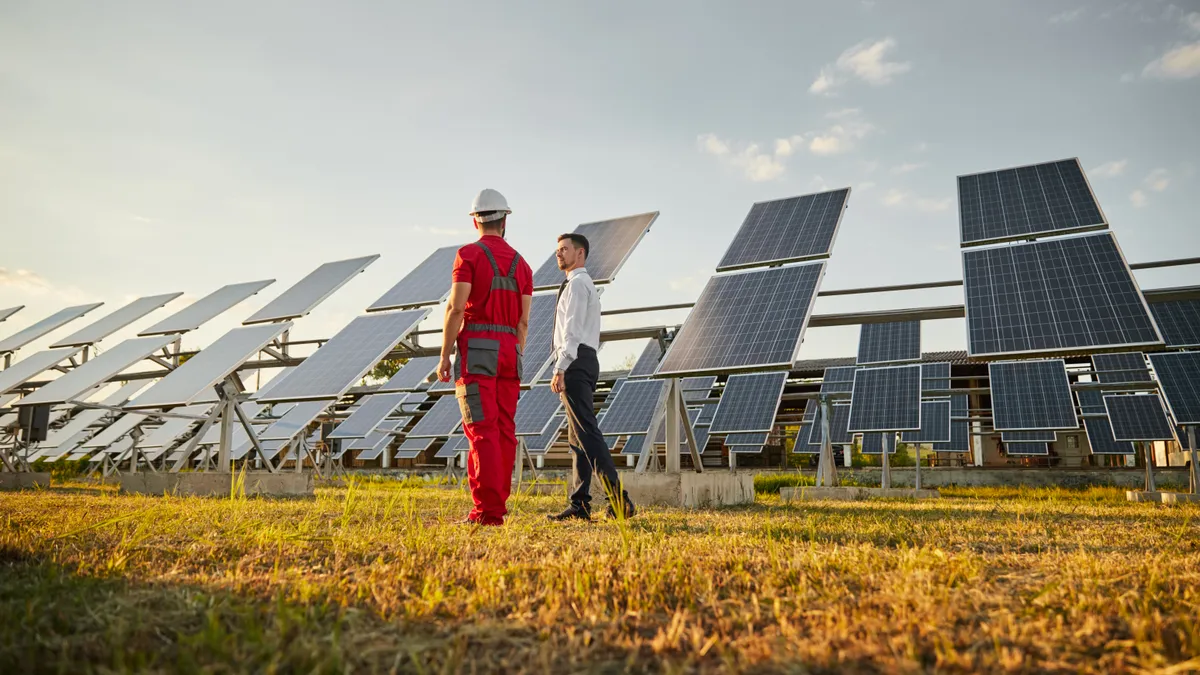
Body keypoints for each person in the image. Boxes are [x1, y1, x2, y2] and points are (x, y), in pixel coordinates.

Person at [439, 188, 533, 526]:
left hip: (478, 346)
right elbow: (523, 322)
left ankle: (487, 512)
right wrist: (514, 350)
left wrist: (445, 354)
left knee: (481, 430)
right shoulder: (523, 265)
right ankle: (498, 505)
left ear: (475, 221)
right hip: (511, 349)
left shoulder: (467, 255)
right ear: (505, 219)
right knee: (505, 429)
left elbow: (455, 308)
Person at [547, 233, 636, 521]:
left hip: (575, 361)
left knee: (587, 433)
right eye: (557, 250)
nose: (558, 254)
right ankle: (580, 504)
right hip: (584, 360)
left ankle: (619, 500)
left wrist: (560, 366)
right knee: (578, 438)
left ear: (580, 253)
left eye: (564, 249)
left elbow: (571, 331)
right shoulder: (582, 285)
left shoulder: (577, 285)